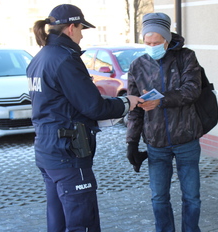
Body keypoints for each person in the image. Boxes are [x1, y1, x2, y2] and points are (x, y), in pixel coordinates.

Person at [26, 4, 144, 232]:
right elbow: (94, 106)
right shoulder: (65, 59)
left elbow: (61, 104)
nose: (81, 34)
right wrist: (126, 102)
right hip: (68, 152)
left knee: (57, 219)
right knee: (83, 223)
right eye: (81, 28)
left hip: (48, 149)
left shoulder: (39, 58)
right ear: (71, 28)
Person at [126, 12, 203, 232]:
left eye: (156, 42)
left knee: (192, 197)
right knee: (159, 197)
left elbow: (192, 90)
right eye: (147, 42)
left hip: (186, 139)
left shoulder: (185, 57)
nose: (151, 46)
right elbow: (134, 109)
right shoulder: (137, 66)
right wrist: (131, 142)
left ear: (166, 40)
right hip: (155, 143)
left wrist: (160, 100)